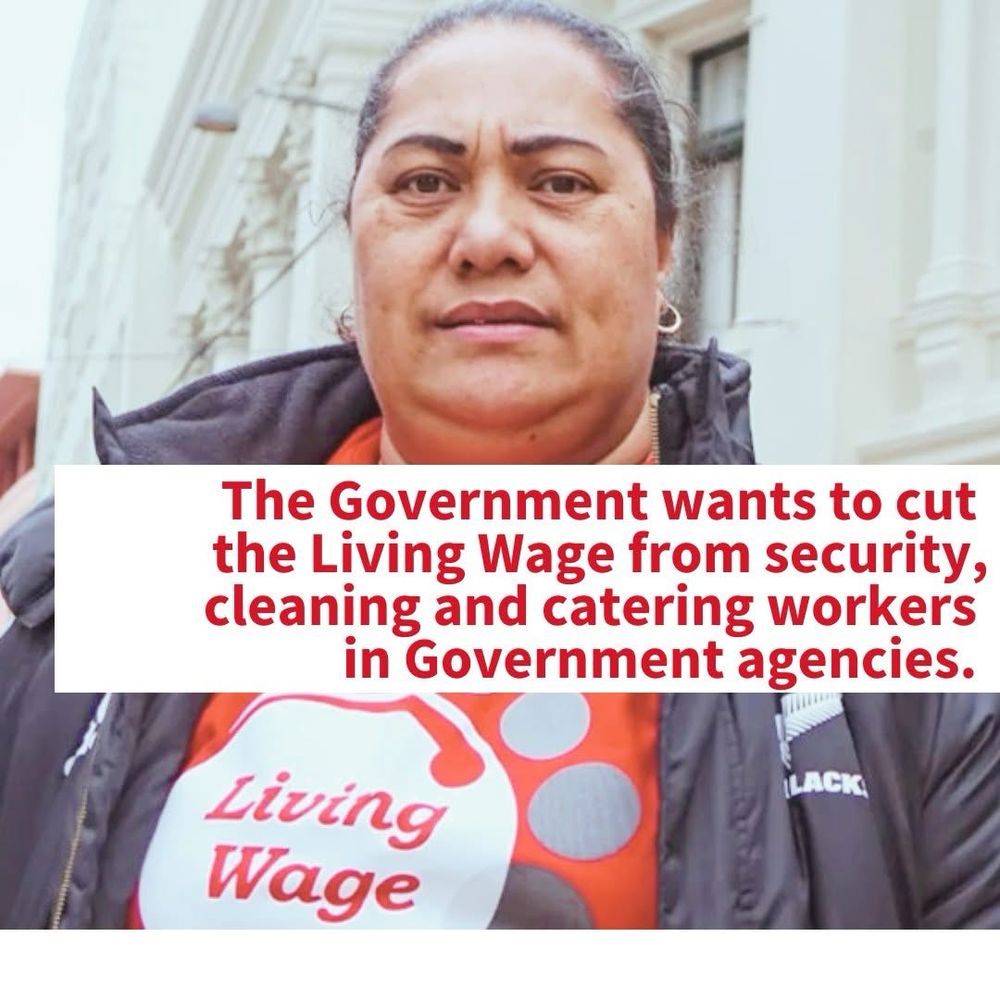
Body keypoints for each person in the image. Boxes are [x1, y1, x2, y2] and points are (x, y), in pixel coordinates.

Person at [1, 0, 997, 929]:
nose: (484, 238)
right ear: (356, 249)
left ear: (661, 248)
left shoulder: (889, 626)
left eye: (559, 181)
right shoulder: (94, 598)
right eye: (423, 184)